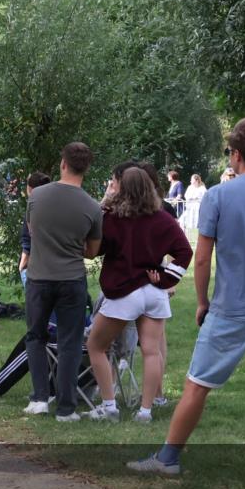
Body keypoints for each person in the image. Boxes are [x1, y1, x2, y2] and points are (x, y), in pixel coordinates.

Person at [128, 117, 245, 489]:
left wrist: (202, 302)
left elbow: (202, 258)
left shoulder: (218, 196)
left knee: (197, 386)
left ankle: (168, 459)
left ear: (237, 153)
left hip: (232, 309)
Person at [85, 167, 193, 423]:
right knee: (152, 352)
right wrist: (167, 279)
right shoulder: (163, 218)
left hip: (124, 292)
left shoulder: (112, 218)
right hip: (154, 293)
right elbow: (184, 252)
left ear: (122, 188)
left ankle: (109, 406)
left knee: (96, 346)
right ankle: (145, 411)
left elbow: (96, 250)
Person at [23, 142, 103, 422]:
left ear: (63, 163)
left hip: (39, 277)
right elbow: (92, 251)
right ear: (86, 169)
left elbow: (34, 233)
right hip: (71, 279)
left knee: (35, 336)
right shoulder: (93, 207)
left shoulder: (37, 197)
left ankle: (39, 399)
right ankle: (66, 408)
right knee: (69, 342)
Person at [18, 172, 52, 288]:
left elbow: (28, 240)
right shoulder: (53, 208)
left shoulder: (32, 210)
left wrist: (22, 265)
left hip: (33, 267)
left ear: (30, 189)